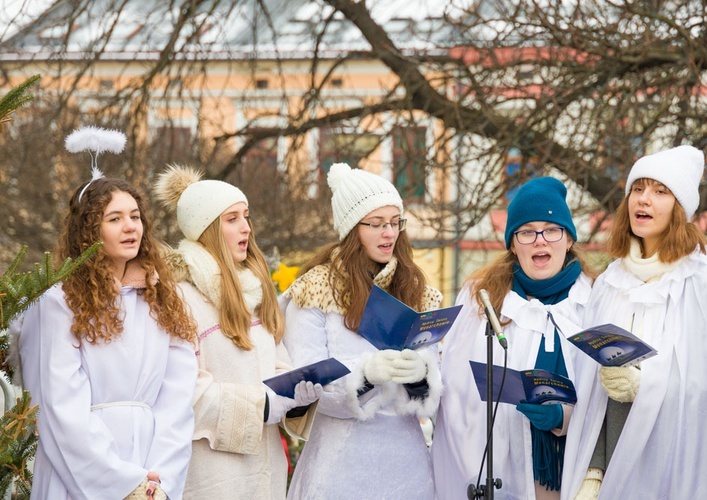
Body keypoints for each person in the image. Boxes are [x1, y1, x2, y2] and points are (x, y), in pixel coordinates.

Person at [17, 129, 198, 499]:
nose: (130, 226)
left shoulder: (162, 298)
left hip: (151, 468)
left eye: (135, 216)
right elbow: (58, 407)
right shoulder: (58, 302)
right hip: (80, 472)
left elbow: (177, 398)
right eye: (114, 219)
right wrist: (121, 483)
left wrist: (157, 481)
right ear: (87, 232)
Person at [564, 145, 707, 499]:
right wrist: (594, 468)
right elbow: (589, 389)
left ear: (680, 209)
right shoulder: (610, 283)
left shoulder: (703, 283)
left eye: (660, 191)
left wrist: (645, 385)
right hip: (611, 468)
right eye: (638, 188)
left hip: (674, 470)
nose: (643, 200)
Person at [154, 165, 321, 500]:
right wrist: (261, 406)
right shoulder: (179, 296)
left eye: (246, 217)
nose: (246, 228)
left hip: (266, 473)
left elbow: (276, 364)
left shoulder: (254, 293)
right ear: (207, 229)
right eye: (232, 219)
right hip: (211, 477)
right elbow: (183, 391)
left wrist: (297, 395)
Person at [282, 162, 443, 499]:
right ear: (352, 228)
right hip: (339, 466)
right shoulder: (315, 289)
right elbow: (306, 384)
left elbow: (436, 389)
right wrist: (366, 375)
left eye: (395, 222)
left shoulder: (417, 290)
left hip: (406, 466)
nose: (389, 233)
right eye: (377, 224)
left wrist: (421, 375)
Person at [431, 176, 595, 500]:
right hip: (502, 480)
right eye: (526, 232)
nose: (540, 241)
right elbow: (455, 389)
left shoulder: (595, 302)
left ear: (569, 239)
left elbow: (609, 394)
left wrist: (565, 417)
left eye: (552, 229)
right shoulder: (482, 303)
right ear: (512, 243)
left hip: (573, 478)